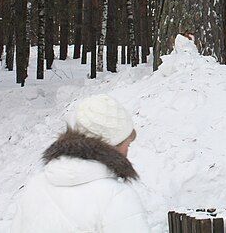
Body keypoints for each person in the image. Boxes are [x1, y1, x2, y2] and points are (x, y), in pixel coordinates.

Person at [12, 94, 150, 233]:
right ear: (115, 144)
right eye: (128, 144)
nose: (127, 150)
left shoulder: (36, 185)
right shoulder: (117, 197)